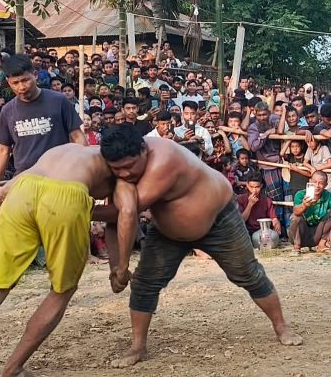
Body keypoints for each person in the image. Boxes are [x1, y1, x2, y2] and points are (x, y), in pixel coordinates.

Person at [99, 127, 302, 368]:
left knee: (249, 274)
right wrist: (117, 264)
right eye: (117, 170)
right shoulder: (122, 169)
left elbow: (126, 211)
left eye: (129, 166)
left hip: (220, 219)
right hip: (168, 229)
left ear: (144, 150)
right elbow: (116, 219)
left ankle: (281, 326)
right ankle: (137, 346)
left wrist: (79, 209)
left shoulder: (164, 159)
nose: (124, 174)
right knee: (144, 283)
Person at [0, 144, 123, 377]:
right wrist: (117, 265)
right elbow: (122, 213)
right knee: (62, 290)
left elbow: (5, 190)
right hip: (70, 195)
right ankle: (12, 369)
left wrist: (1, 202)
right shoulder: (119, 160)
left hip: (23, 190)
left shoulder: (60, 150)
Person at [0, 54, 86, 209]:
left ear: (35, 75)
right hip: (24, 180)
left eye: (25, 80)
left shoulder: (59, 101)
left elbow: (78, 138)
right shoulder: (7, 111)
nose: (21, 87)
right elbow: (2, 150)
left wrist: (79, 171)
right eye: (15, 83)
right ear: (8, 82)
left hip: (59, 179)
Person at [288, 171, 331, 255]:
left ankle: (321, 244)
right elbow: (295, 211)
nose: (317, 186)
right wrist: (304, 205)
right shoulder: (301, 194)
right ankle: (296, 247)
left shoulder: (327, 195)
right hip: (301, 233)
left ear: (326, 185)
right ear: (309, 182)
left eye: (320, 183)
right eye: (314, 182)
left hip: (316, 234)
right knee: (295, 217)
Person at [236, 172, 282, 249]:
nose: (254, 190)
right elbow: (241, 220)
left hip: (263, 231)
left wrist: (276, 222)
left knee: (274, 236)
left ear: (261, 186)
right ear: (247, 185)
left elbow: (273, 217)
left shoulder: (266, 200)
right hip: (247, 231)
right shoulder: (241, 199)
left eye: (257, 187)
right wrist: (250, 205)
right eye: (251, 187)